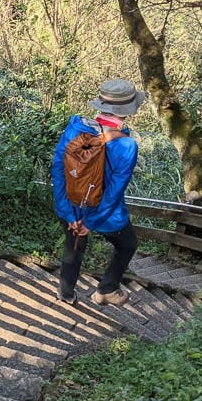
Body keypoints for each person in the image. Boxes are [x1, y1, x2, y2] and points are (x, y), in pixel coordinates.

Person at [51, 78, 145, 305]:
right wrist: (91, 222)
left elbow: (58, 169)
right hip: (104, 213)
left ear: (101, 105)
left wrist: (70, 213)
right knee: (127, 244)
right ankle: (107, 289)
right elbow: (114, 191)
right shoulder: (126, 145)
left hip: (73, 204)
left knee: (74, 246)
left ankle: (65, 293)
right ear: (127, 110)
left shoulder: (75, 128)